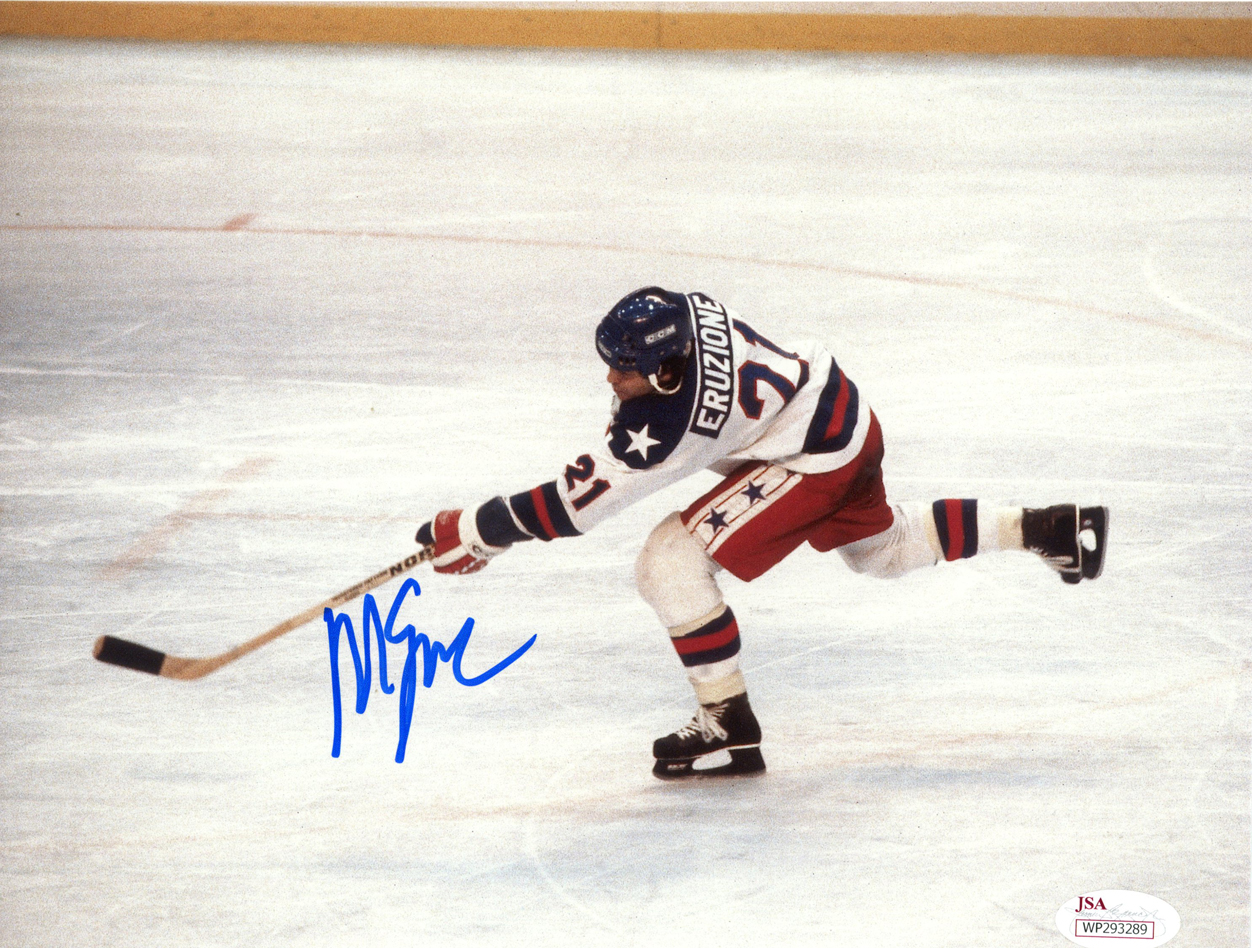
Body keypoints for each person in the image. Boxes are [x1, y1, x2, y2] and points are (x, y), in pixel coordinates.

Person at [417, 288, 1108, 779]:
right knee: (880, 552)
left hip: (811, 456)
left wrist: (476, 530)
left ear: (662, 368)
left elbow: (574, 508)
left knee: (668, 562)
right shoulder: (686, 314)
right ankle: (1044, 528)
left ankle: (725, 721)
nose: (610, 376)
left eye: (623, 368)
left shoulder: (668, 423)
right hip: (839, 408)